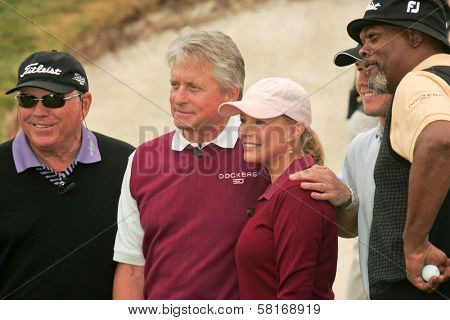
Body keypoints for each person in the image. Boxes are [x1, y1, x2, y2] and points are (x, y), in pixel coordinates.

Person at [112, 28, 269, 300]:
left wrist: (345, 198)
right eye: (175, 85)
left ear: (231, 96)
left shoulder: (264, 154)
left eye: (193, 87)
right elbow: (131, 268)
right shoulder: (141, 160)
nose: (178, 98)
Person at [0, 50, 134, 299]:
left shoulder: (127, 164)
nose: (38, 112)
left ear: (85, 104)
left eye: (52, 100)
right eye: (27, 100)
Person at [347, 0, 450, 299]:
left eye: (374, 37)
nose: (363, 50)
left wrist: (415, 244)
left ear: (415, 36)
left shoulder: (417, 81)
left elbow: (440, 140)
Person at [218, 77, 338, 299]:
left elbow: (295, 299)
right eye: (243, 121)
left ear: (294, 131)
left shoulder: (299, 193)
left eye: (260, 123)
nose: (245, 131)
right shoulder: (284, 187)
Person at [291, 46, 392, 299]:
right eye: (359, 70)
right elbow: (350, 229)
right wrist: (345, 197)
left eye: (372, 69)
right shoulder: (360, 145)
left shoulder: (436, 136)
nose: (362, 83)